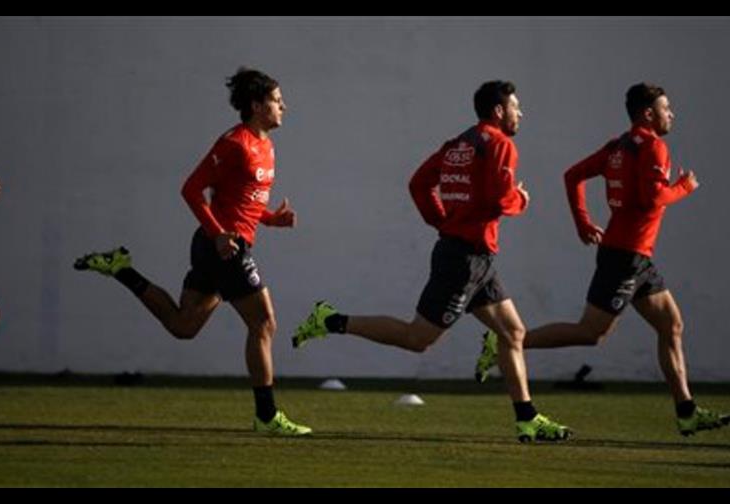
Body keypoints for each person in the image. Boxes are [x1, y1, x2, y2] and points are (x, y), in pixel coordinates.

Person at [292, 81, 570, 443]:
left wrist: (440, 220)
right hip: (464, 260)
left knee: (513, 332)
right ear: (499, 111)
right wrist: (521, 199)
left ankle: (527, 420)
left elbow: (419, 184)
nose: (521, 113)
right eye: (516, 106)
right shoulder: (500, 144)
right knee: (418, 338)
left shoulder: (458, 145)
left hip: (475, 258)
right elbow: (500, 199)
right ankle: (331, 319)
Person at [473, 82, 729, 437]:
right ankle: (505, 340)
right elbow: (652, 198)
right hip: (625, 258)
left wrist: (582, 222)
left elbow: (573, 176)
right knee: (591, 333)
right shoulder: (654, 147)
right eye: (666, 108)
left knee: (671, 325)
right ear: (648, 114)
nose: (672, 114)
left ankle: (686, 412)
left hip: (636, 257)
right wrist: (684, 187)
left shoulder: (618, 147)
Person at [74, 67, 311, 436]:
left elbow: (239, 199)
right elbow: (191, 189)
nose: (285, 106)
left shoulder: (266, 145)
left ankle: (122, 270)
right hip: (222, 247)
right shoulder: (234, 143)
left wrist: (268, 219)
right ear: (256, 105)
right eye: (278, 101)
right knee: (264, 323)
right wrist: (218, 235)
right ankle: (266, 416)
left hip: (222, 245)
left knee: (183, 326)